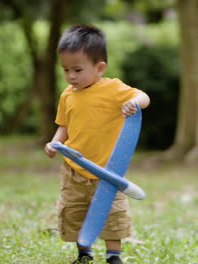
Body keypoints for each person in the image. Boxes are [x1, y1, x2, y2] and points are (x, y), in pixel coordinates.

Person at [44, 24, 150, 264]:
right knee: (76, 212)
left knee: (112, 214)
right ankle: (84, 254)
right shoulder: (67, 95)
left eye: (77, 69)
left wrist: (133, 102)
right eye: (66, 70)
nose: (71, 76)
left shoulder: (113, 89)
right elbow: (64, 126)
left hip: (108, 171)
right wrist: (54, 143)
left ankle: (114, 256)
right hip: (74, 170)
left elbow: (145, 97)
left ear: (99, 67)